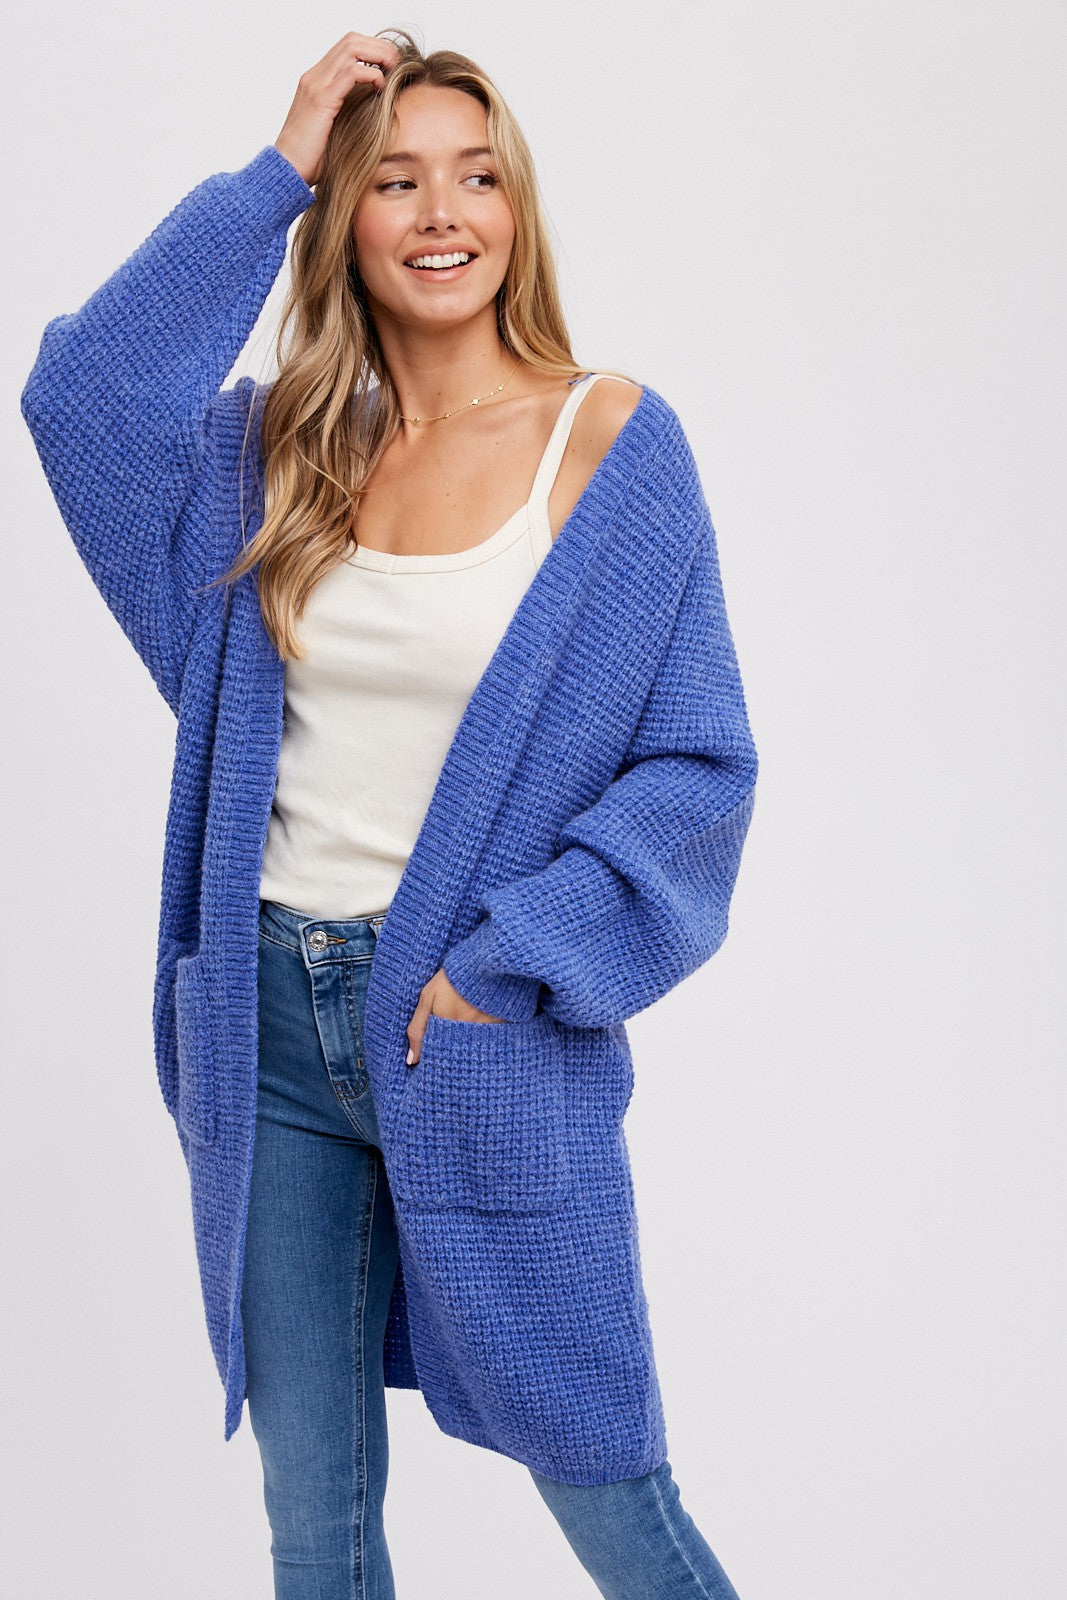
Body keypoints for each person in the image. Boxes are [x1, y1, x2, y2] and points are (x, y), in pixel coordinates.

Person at [21, 27, 758, 1600]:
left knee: (610, 1485)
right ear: (345, 216)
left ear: (518, 209)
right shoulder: (276, 453)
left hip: (476, 1031)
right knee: (318, 1524)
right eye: (395, 180)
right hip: (266, 1028)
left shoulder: (609, 444)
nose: (443, 214)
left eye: (478, 178)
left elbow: (699, 768)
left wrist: (506, 966)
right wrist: (276, 168)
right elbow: (80, 396)